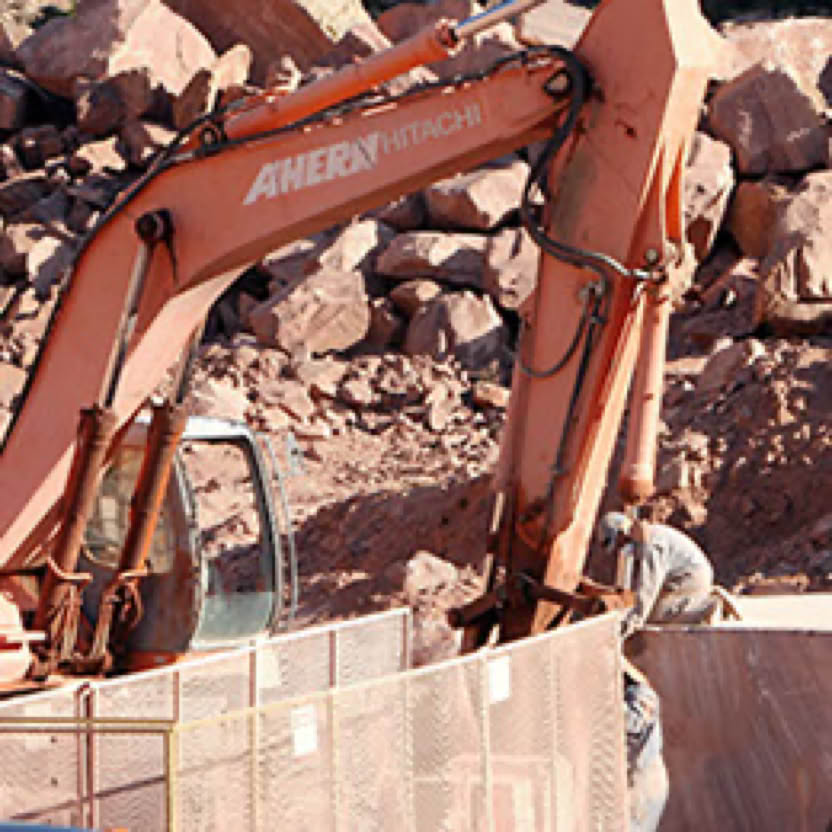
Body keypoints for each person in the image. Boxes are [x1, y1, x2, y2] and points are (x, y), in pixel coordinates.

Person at [597, 512, 718, 639]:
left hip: (692, 576)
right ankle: (698, 602)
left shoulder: (652, 544)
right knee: (651, 609)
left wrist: (634, 621)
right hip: (685, 577)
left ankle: (704, 609)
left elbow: (649, 586)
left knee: (655, 614)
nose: (621, 548)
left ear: (622, 533)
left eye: (619, 544)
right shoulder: (645, 540)